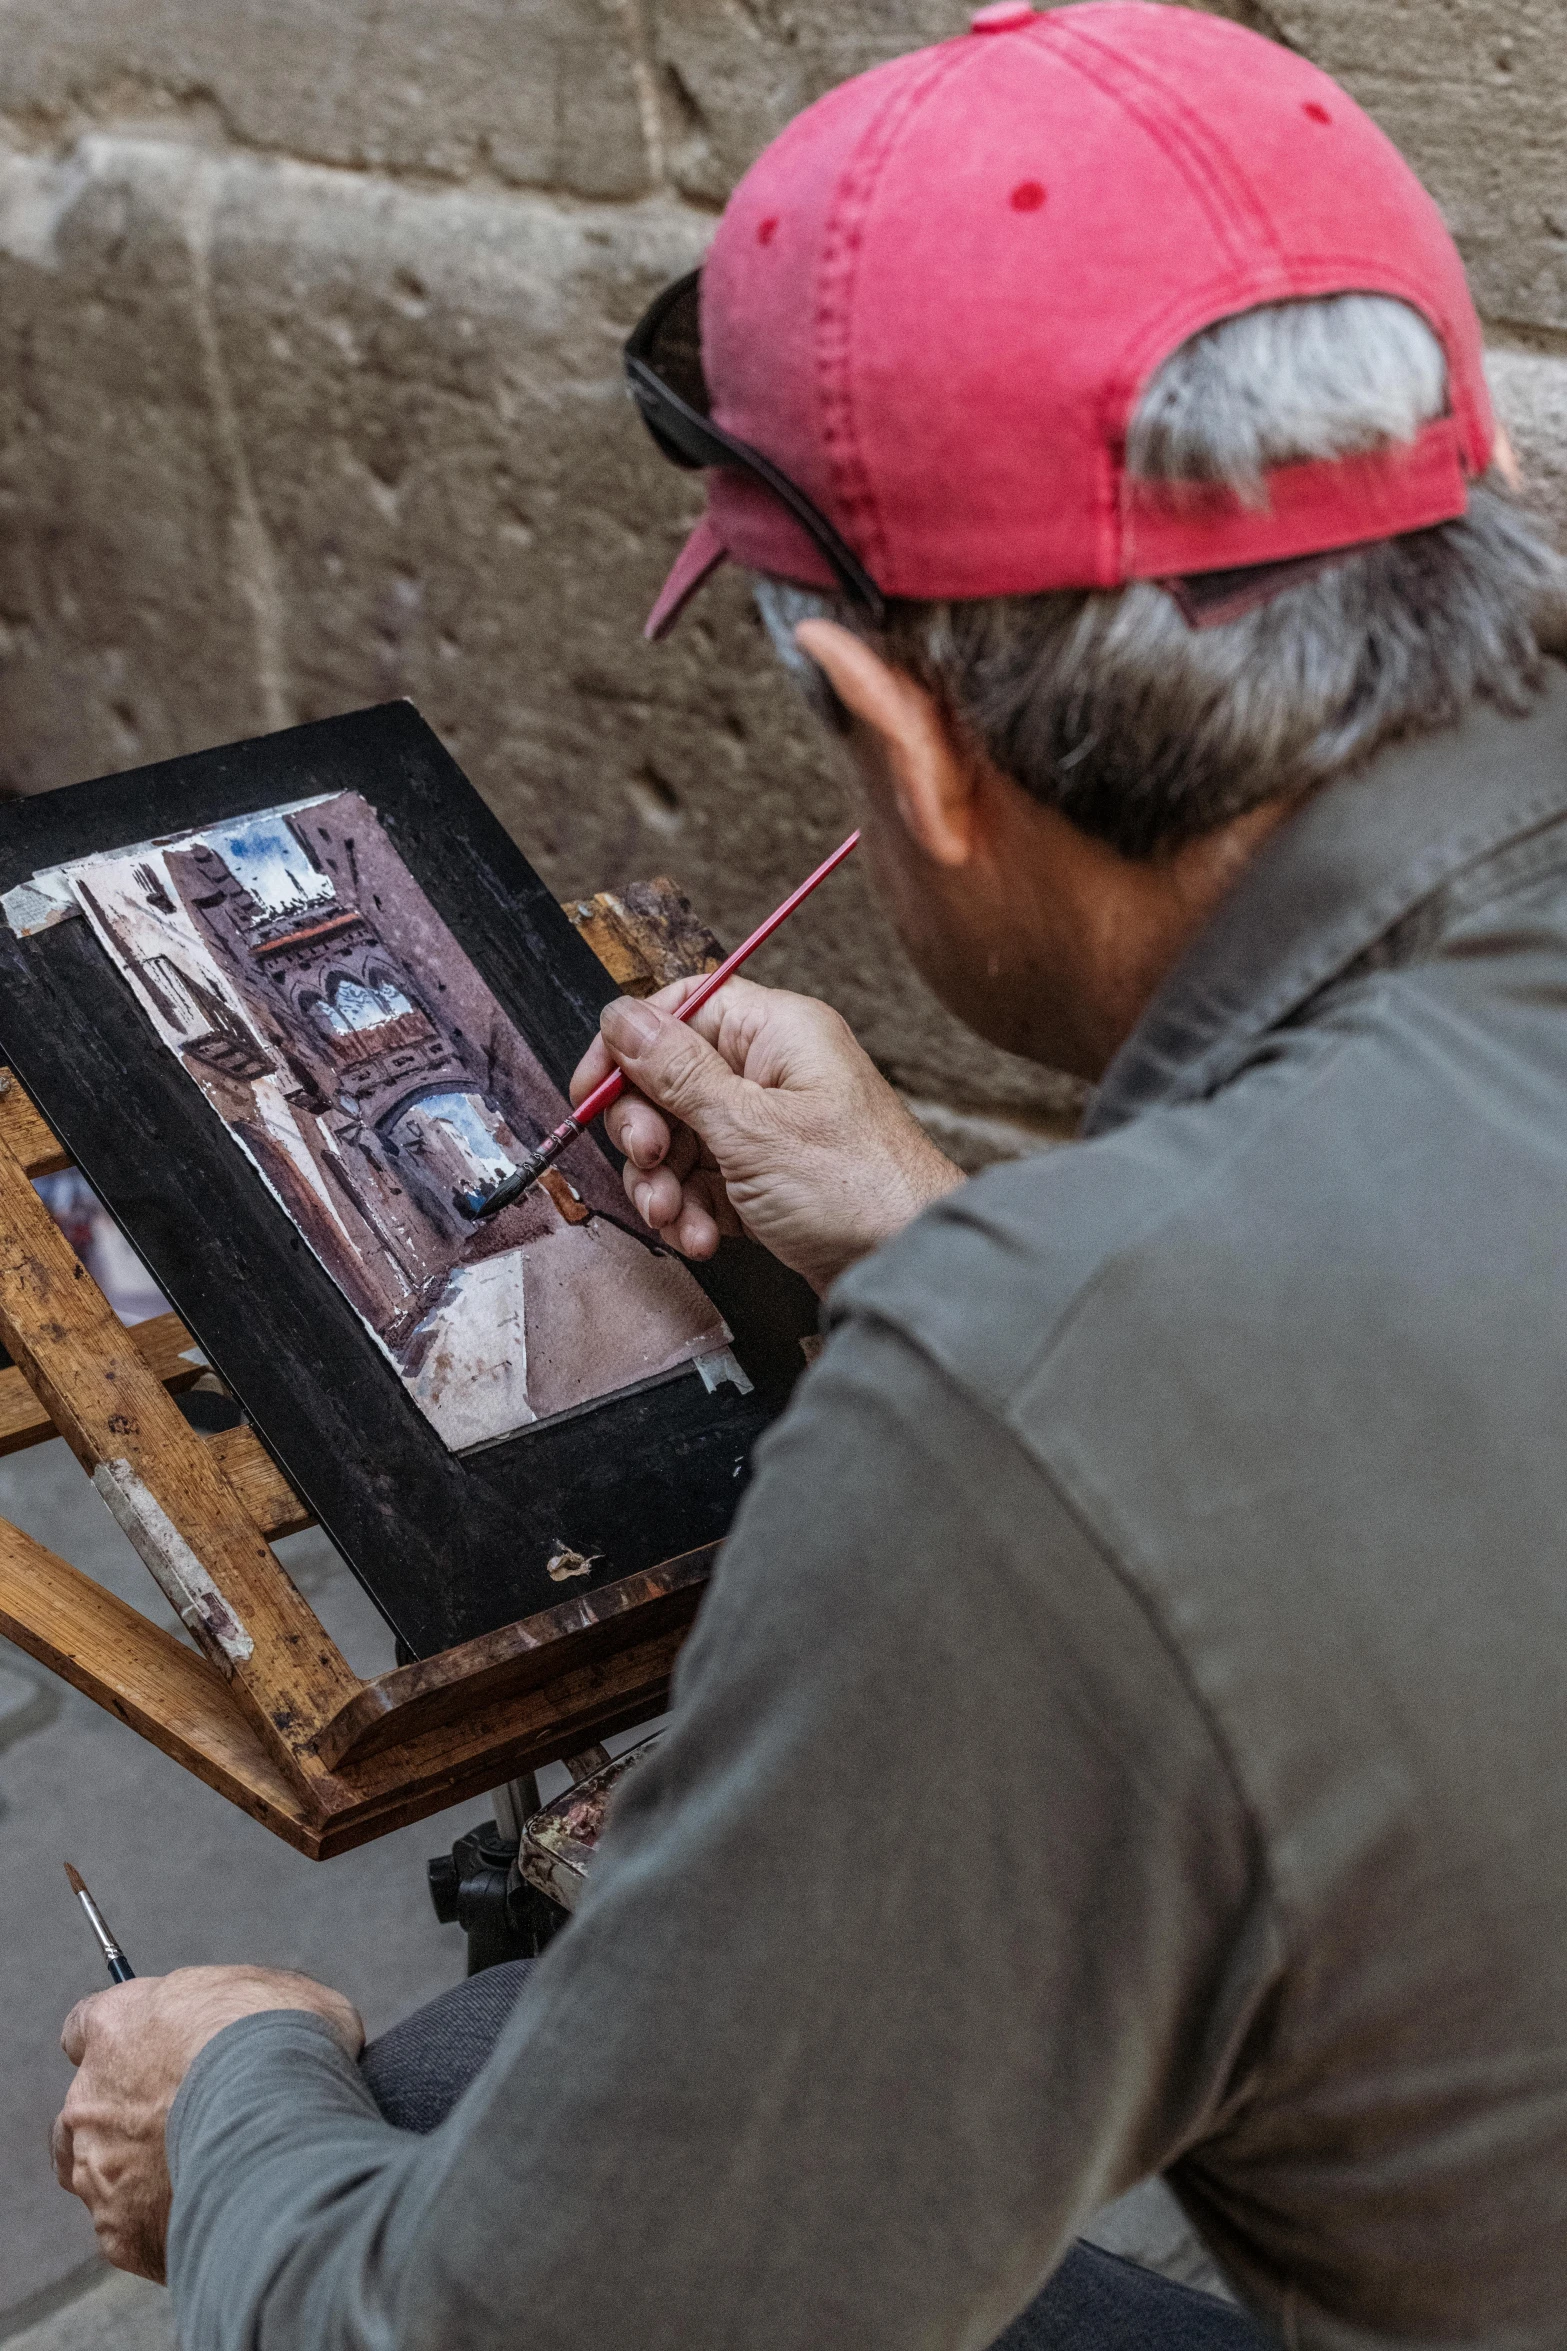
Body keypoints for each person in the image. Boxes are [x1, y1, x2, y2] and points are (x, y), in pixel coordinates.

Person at [50, 6, 1567, 2345]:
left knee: (392, 2130)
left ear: (901, 744)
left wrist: (235, 2100)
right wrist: (931, 1224)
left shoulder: (1040, 1406)